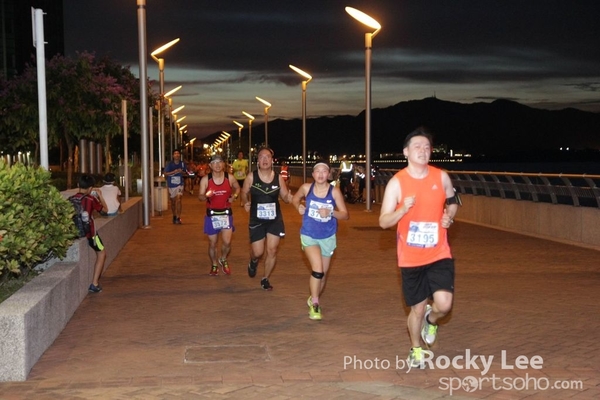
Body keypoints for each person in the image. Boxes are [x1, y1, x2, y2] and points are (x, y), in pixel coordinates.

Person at [378, 126, 459, 369]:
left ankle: (431, 321)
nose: (423, 151)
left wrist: (449, 216)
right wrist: (402, 210)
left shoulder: (441, 177)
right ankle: (415, 349)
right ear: (406, 152)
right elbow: (383, 221)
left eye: (427, 147)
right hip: (411, 257)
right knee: (417, 308)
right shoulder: (397, 183)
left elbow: (453, 201)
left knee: (444, 304)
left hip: (439, 252)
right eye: (417, 147)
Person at [292, 161, 349, 320]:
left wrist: (331, 213)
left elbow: (345, 214)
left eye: (324, 171)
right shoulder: (306, 188)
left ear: (329, 174)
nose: (321, 174)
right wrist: (298, 207)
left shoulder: (334, 192)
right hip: (309, 234)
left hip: (328, 237)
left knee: (322, 275)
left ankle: (313, 297)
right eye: (318, 171)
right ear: (313, 174)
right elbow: (295, 199)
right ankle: (315, 304)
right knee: (317, 270)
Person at [241, 146, 293, 291]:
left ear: (272, 160)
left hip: (274, 219)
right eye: (262, 157)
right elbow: (244, 192)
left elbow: (285, 196)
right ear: (258, 160)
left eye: (268, 157)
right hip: (256, 219)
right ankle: (253, 261)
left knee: (272, 250)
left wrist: (289, 197)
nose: (265, 160)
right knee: (258, 252)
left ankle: (265, 278)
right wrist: (245, 202)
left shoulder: (278, 178)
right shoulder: (251, 177)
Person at [198, 154, 240, 276]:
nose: (217, 165)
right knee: (213, 243)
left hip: (226, 214)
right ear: (210, 165)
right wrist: (206, 196)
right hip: (212, 215)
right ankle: (214, 263)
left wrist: (234, 196)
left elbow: (238, 188)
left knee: (227, 242)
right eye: (214, 162)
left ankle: (223, 258)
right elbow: (200, 196)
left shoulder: (229, 178)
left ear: (223, 164)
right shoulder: (206, 179)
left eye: (220, 162)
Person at [73, 175, 109, 293]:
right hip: (91, 234)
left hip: (75, 233)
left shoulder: (71, 199)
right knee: (102, 253)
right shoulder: (91, 199)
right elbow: (105, 211)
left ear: (78, 185)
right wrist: (100, 195)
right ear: (90, 188)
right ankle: (94, 283)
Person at [164, 149, 187, 224]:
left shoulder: (182, 164)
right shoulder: (170, 164)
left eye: (178, 153)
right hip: (171, 185)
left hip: (180, 184)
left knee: (179, 199)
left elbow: (185, 173)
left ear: (179, 155)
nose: (177, 155)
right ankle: (174, 215)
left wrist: (181, 172)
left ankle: (178, 217)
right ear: (173, 155)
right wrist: (174, 172)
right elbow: (165, 173)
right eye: (175, 153)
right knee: (173, 202)